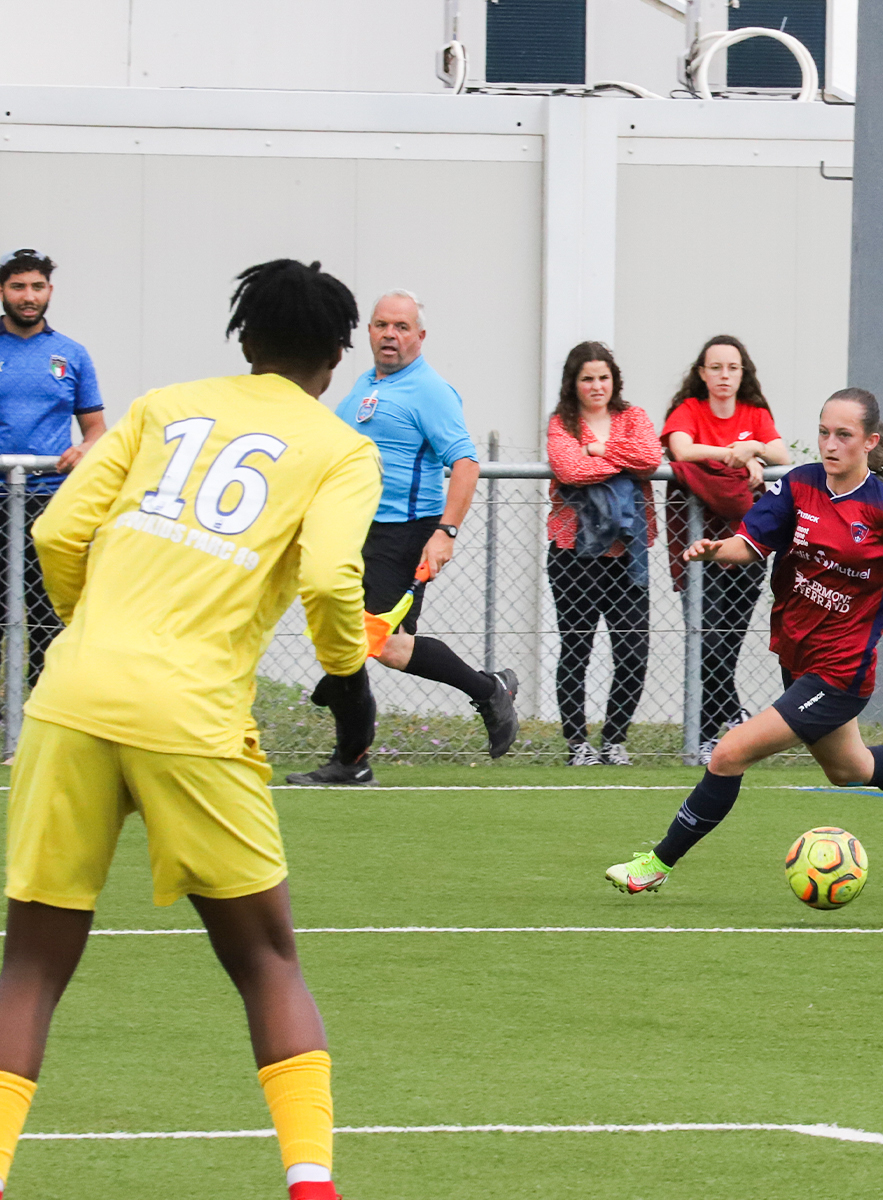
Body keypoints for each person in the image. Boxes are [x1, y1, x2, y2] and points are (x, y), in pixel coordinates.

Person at [0, 258, 380, 1200]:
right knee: (265, 959)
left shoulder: (162, 404)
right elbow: (334, 583)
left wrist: (94, 629)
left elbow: (56, 536)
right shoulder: (339, 449)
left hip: (73, 695)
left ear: (244, 341)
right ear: (335, 360)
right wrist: (343, 675)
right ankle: (311, 1184)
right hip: (192, 714)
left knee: (31, 968)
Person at [605, 387, 883, 895]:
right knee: (850, 768)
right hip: (799, 659)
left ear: (869, 442)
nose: (830, 444)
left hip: (841, 673)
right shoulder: (798, 487)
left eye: (844, 435)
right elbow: (750, 544)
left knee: (728, 753)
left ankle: (656, 866)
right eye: (824, 432)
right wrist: (716, 550)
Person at [288, 289, 516, 785]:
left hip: (405, 532)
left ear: (420, 336)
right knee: (362, 638)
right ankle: (351, 758)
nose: (389, 335)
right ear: (368, 332)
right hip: (353, 530)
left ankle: (486, 691)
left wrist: (445, 532)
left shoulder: (430, 390)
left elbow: (466, 463)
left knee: (381, 642)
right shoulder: (364, 388)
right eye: (380, 325)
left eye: (401, 327)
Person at [661, 335, 791, 763]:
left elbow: (779, 451)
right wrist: (735, 454)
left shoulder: (754, 412)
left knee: (728, 643)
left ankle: (715, 728)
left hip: (747, 545)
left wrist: (753, 447)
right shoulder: (690, 411)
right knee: (707, 640)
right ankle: (725, 720)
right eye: (715, 368)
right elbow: (682, 449)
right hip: (699, 546)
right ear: (702, 372)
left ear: (742, 373)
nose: (724, 376)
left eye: (732, 368)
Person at [546, 341, 661, 766]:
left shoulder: (633, 418)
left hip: (627, 555)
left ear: (615, 381)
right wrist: (618, 460)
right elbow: (570, 469)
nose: (596, 386)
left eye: (603, 377)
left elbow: (650, 457)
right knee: (576, 648)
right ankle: (578, 744)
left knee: (633, 651)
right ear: (573, 383)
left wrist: (600, 451)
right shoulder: (562, 424)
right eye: (587, 378)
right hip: (573, 555)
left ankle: (615, 739)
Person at [0, 249, 106, 687]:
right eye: (18, 286)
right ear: (3, 291)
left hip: (50, 500)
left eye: (37, 287)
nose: (29, 296)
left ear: (49, 291)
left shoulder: (71, 354)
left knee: (46, 612)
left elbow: (97, 429)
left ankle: (35, 713)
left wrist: (85, 449)